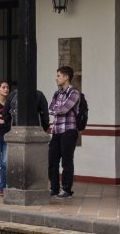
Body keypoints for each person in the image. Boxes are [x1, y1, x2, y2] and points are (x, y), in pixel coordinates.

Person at [48, 66, 81, 199]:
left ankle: (66, 190)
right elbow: (50, 109)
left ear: (66, 77)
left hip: (69, 131)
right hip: (56, 131)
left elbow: (64, 109)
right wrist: (58, 108)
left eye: (59, 76)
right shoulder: (57, 93)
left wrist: (58, 108)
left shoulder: (74, 93)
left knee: (67, 162)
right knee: (52, 161)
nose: (56, 78)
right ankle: (54, 189)